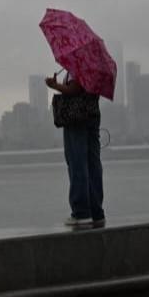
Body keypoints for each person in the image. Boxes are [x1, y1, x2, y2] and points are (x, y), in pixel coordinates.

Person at [46, 72, 105, 229]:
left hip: (76, 117)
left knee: (77, 163)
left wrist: (55, 85)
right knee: (93, 164)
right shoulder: (94, 65)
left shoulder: (79, 64)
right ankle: (96, 212)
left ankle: (81, 212)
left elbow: (75, 89)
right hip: (92, 114)